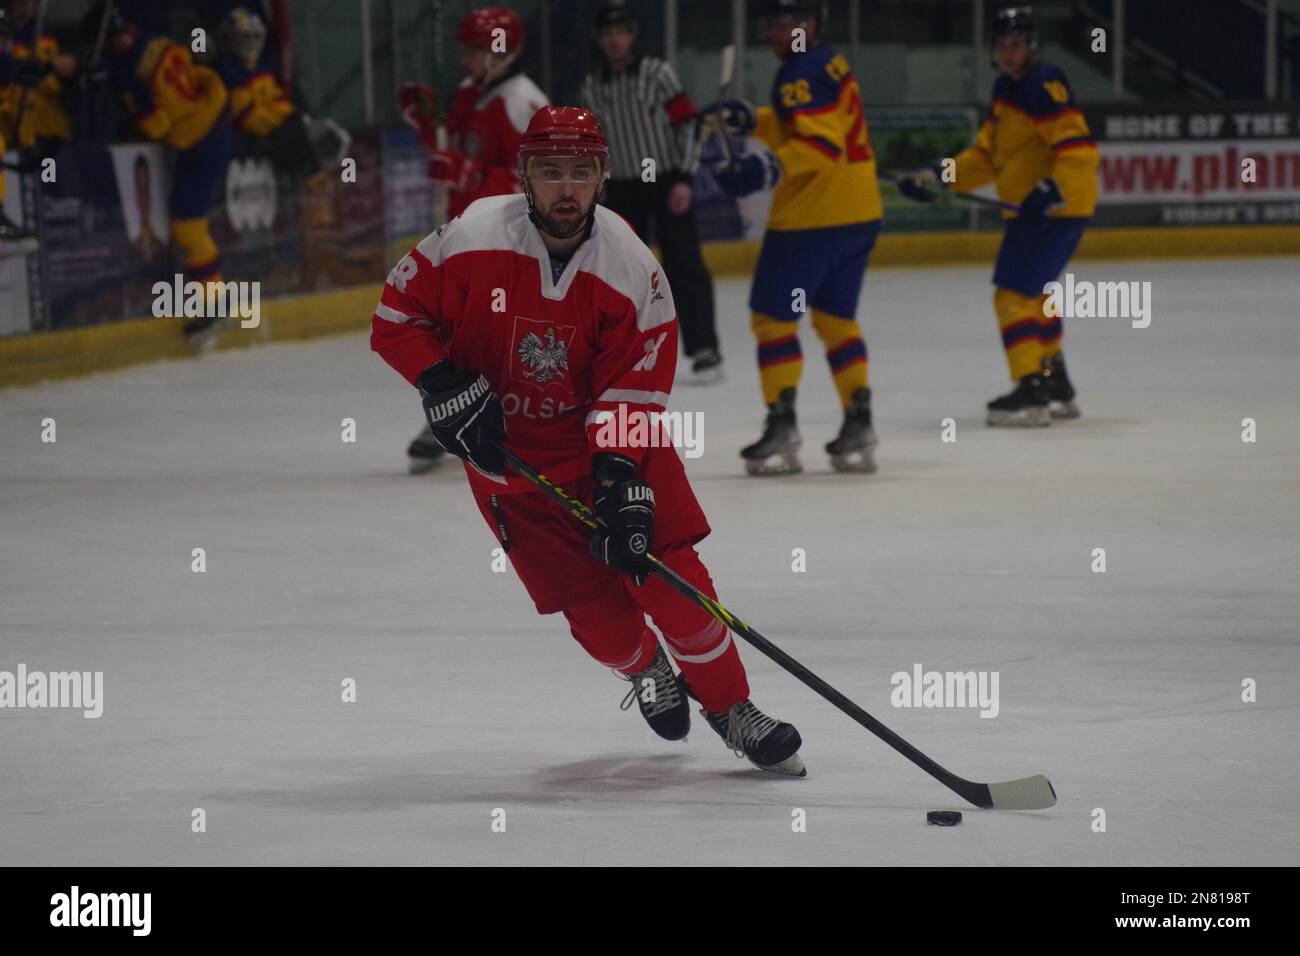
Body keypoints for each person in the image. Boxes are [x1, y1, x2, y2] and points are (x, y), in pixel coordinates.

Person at [370, 105, 805, 776]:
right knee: (600, 621)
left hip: (613, 451)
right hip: (510, 469)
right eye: (550, 173)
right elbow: (397, 315)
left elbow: (637, 380)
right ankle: (648, 669)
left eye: (580, 172)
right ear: (525, 176)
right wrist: (441, 379)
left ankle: (732, 709)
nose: (566, 189)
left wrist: (621, 473)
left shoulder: (631, 265)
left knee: (676, 589)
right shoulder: (469, 237)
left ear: (603, 176)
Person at [705, 0, 883, 475]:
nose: (777, 31)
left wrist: (763, 166)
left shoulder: (800, 71)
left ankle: (782, 425)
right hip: (858, 212)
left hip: (811, 220)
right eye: (773, 22)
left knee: (772, 321)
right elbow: (807, 120)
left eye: (788, 22)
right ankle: (859, 422)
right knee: (836, 320)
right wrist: (755, 119)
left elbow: (820, 144)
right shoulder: (828, 62)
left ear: (812, 24)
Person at [897, 5, 1098, 426]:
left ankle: (1029, 389)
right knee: (1037, 294)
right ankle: (1053, 382)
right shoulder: (1006, 89)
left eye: (1018, 45)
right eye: (1003, 46)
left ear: (1032, 47)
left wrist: (1053, 189)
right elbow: (985, 159)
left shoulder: (1043, 83)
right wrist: (936, 175)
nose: (1009, 53)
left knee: (1012, 295)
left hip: (1054, 211)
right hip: (1043, 212)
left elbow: (1077, 148)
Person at [398, 6, 549, 473]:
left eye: (477, 51)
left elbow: (539, 185)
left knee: (495, 335)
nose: (467, 60)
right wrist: (427, 122)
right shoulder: (468, 92)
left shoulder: (524, 101)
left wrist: (469, 173)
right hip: (466, 235)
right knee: (450, 327)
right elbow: (456, 146)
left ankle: (515, 422)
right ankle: (453, 412)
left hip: (508, 243)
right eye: (464, 51)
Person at [581, 0, 721, 385]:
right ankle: (632, 349)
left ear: (632, 36)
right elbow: (598, 142)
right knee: (627, 273)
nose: (614, 41)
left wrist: (685, 179)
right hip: (624, 188)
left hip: (663, 180)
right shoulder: (593, 84)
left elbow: (690, 125)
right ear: (599, 39)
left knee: (683, 265)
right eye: (607, 34)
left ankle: (704, 347)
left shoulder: (657, 74)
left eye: (621, 33)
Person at [81, 2, 233, 344]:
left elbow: (158, 123)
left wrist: (132, 126)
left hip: (200, 140)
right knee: (191, 221)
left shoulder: (127, 73)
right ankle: (213, 301)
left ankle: (214, 305)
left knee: (188, 225)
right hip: (215, 120)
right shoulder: (154, 40)